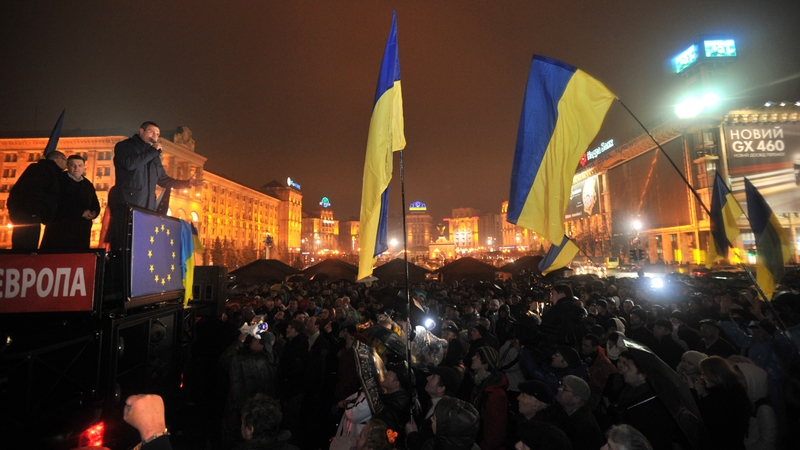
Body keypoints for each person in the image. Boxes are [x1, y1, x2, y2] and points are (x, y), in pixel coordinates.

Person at [108, 121, 196, 250]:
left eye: (158, 134)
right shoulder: (125, 146)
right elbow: (130, 164)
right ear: (141, 131)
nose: (155, 136)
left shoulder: (153, 155)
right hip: (128, 206)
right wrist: (153, 151)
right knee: (125, 245)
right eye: (152, 132)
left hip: (148, 208)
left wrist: (187, 183)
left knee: (142, 246)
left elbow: (164, 180)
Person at [8, 150, 67, 250]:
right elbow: (32, 190)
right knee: (25, 249)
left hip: (30, 214)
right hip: (29, 215)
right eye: (66, 161)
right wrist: (34, 211)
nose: (67, 165)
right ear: (58, 159)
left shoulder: (44, 169)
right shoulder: (44, 169)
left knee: (27, 246)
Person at [40, 155, 100, 251]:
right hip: (61, 230)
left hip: (82, 231)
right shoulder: (59, 181)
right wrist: (80, 212)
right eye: (73, 165)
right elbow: (57, 204)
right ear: (68, 165)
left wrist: (94, 212)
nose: (77, 168)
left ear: (84, 167)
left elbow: (94, 202)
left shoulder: (88, 184)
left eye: (80, 165)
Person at [692, 356, 751, 450]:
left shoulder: (722, 397)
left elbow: (707, 421)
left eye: (704, 374)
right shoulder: (733, 391)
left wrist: (698, 395)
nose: (702, 377)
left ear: (716, 375)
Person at [553, 375, 604, 450]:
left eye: (564, 388)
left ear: (576, 399)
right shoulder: (561, 409)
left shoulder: (585, 427)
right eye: (560, 385)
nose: (559, 389)